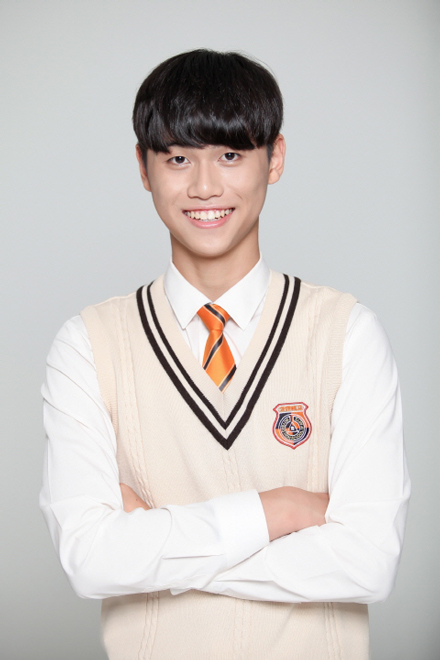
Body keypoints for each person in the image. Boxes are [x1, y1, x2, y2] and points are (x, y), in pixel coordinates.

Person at [40, 49, 410, 660]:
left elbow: (368, 562)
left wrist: (152, 547)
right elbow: (90, 560)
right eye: (178, 158)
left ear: (276, 158)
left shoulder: (347, 334)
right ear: (143, 167)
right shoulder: (88, 345)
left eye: (231, 155)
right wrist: (278, 510)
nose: (205, 186)